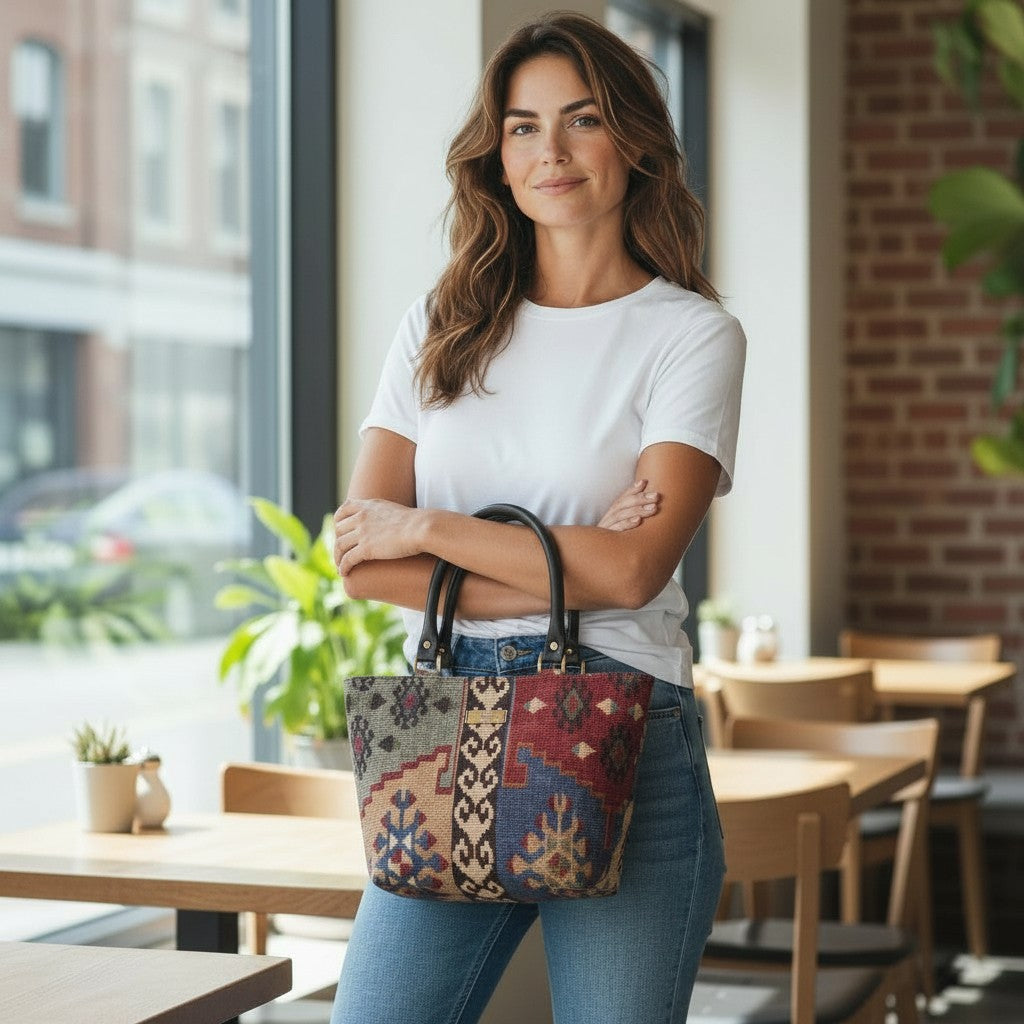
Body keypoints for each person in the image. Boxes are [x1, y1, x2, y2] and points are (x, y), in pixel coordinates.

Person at [330, 11, 745, 1024]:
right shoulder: (442, 324)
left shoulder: (690, 335)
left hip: (624, 728)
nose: (547, 152)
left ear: (633, 142)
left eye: (580, 120)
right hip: (445, 729)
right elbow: (357, 555)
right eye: (520, 126)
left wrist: (426, 528)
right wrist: (569, 552)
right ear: (497, 154)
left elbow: (634, 572)